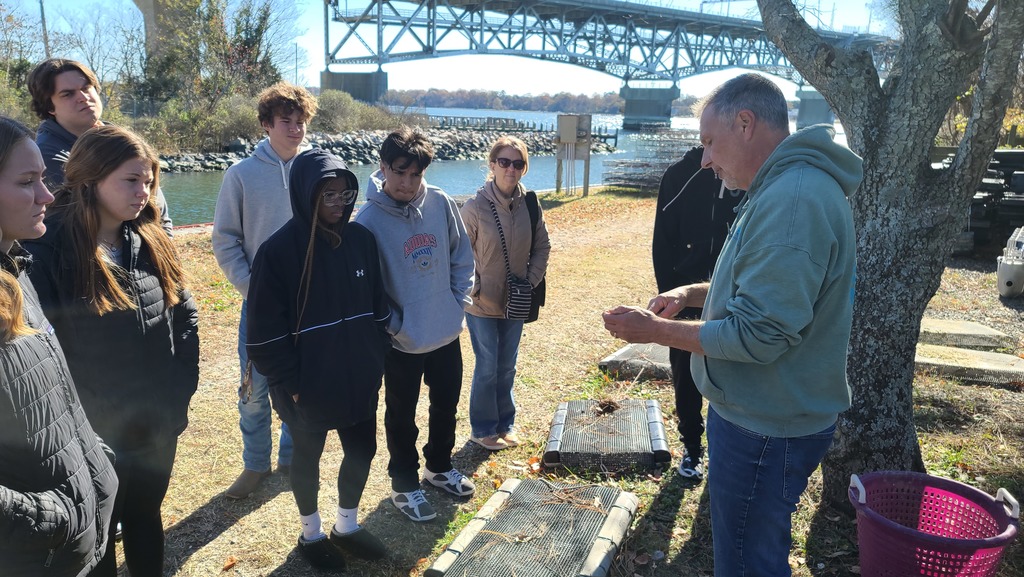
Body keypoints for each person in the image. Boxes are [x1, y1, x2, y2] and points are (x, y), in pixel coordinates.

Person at [603, 73, 862, 576]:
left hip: (764, 428)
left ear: (745, 124)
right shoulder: (784, 187)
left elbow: (758, 334)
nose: (704, 159)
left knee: (747, 563)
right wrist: (690, 293)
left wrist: (654, 331)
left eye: (708, 142)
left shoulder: (792, 202)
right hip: (762, 415)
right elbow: (757, 288)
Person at [23, 125, 199, 577]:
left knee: (145, 517)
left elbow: (185, 317)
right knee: (97, 537)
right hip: (93, 436)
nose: (144, 192)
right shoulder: (47, 251)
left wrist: (178, 395)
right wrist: (79, 431)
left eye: (149, 181)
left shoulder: (151, 237)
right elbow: (42, 355)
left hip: (156, 425)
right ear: (91, 178)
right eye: (131, 180)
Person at [246, 149, 392, 570]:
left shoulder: (362, 240)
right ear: (304, 193)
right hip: (305, 384)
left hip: (359, 375)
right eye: (328, 195)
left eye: (345, 195)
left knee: (362, 449)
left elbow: (378, 307)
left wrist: (376, 357)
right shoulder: (277, 252)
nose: (338, 204)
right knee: (306, 458)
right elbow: (262, 335)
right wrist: (291, 383)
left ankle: (347, 526)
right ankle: (310, 533)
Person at [0, 116, 118, 577]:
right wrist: (50, 519)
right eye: (26, 182)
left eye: (43, 179)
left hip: (73, 543)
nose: (47, 196)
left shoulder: (15, 271)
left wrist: (96, 463)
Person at [355, 126, 476, 522]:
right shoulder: (367, 221)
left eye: (415, 174)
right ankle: (404, 483)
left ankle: (439, 466)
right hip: (401, 341)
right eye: (399, 172)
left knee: (446, 405)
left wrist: (457, 304)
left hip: (445, 330)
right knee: (401, 415)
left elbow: (461, 256)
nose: (407, 183)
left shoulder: (440, 202)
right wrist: (395, 326)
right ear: (382, 167)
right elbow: (367, 290)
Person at [213, 82, 319, 499]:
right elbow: (225, 240)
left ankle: (292, 459)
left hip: (310, 304)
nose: (295, 129)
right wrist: (253, 289)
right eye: (286, 121)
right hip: (260, 306)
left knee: (302, 385)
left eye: (301, 121)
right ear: (265, 124)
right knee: (254, 391)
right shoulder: (241, 175)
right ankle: (255, 463)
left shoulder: (319, 170)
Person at [651, 145, 742, 479]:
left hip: (735, 294)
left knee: (733, 369)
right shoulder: (679, 174)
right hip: (686, 296)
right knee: (685, 375)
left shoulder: (745, 173)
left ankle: (727, 449)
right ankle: (691, 448)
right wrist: (669, 295)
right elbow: (662, 242)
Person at [459, 136, 550, 451]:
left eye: (518, 163)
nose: (511, 169)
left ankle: (505, 424)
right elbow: (459, 254)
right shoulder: (474, 207)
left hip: (517, 300)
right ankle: (483, 428)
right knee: (487, 365)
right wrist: (475, 288)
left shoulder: (530, 204)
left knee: (507, 364)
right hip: (481, 303)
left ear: (524, 167)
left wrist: (530, 281)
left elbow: (542, 246)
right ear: (492, 164)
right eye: (504, 162)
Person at [27, 58, 172, 233]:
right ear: (49, 107)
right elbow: (86, 220)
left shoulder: (121, 139)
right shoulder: (46, 156)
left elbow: (158, 212)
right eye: (68, 94)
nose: (83, 98)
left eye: (86, 88)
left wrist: (164, 244)